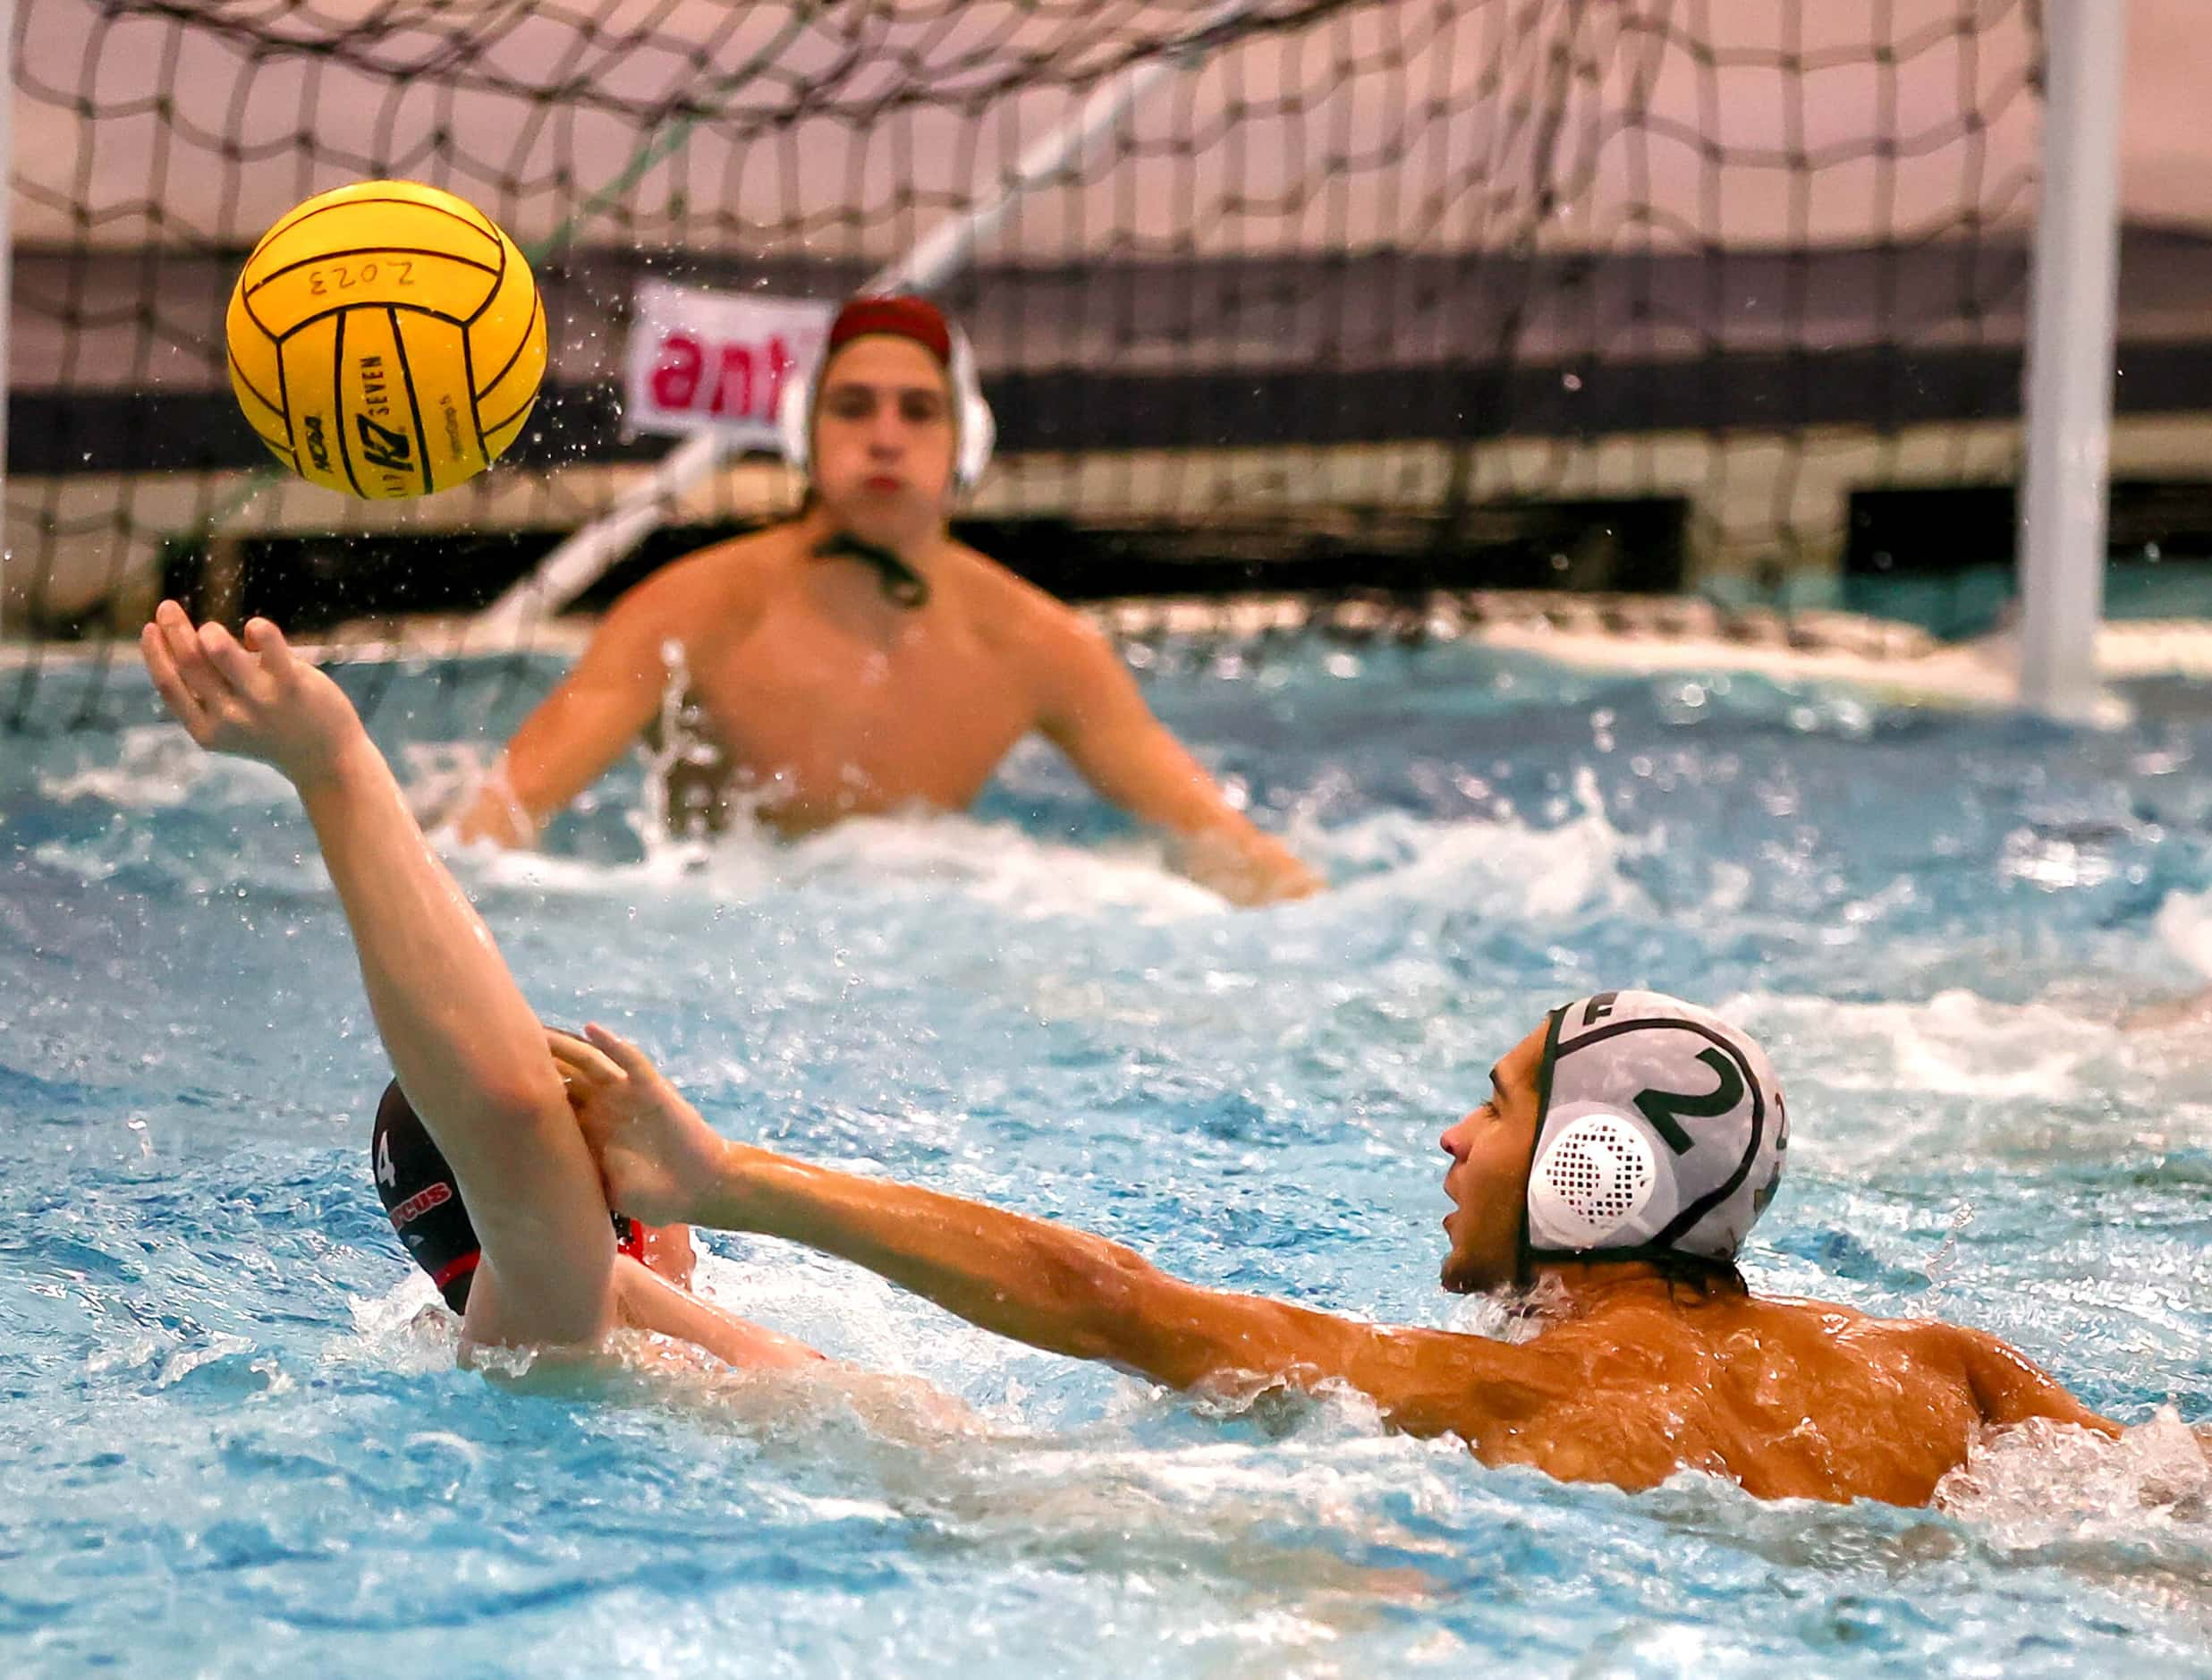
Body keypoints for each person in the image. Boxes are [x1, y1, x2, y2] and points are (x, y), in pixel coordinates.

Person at [559, 988, 2199, 1507]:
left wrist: (725, 1174)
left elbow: (1116, 1305)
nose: (1450, 1139)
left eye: (1492, 1106)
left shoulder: (1494, 1401)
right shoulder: (1937, 1362)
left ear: (1593, 1158)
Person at [456, 293, 1320, 906]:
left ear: (964, 444)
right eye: (853, 408)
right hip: (709, 926)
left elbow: (1222, 843)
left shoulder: (1034, 645)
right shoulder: (689, 613)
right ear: (805, 434)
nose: (883, 437)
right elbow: (496, 825)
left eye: (917, 412)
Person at [140, 599, 823, 1371]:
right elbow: (508, 1113)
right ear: (604, 1201)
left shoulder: (580, 1348)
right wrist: (335, 769)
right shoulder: (564, 1328)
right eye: (631, 1136)